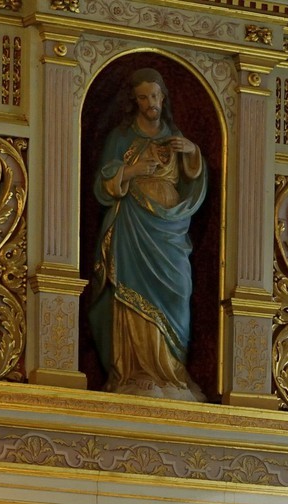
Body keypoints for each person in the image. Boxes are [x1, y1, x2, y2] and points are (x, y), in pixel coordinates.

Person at [88, 68, 207, 397]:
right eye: (143, 97)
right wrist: (133, 170)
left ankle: (170, 370)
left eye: (154, 96)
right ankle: (134, 371)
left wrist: (193, 152)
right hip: (132, 225)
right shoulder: (121, 136)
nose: (150, 103)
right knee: (129, 290)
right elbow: (103, 181)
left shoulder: (175, 135)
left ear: (163, 97)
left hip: (170, 228)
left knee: (178, 290)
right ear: (135, 101)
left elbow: (193, 181)